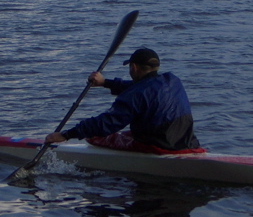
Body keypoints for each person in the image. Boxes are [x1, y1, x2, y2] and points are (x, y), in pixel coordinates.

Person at [44, 48, 201, 152]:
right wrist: (105, 83)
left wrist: (66, 135)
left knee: (97, 137)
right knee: (129, 132)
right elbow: (139, 90)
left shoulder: (137, 93)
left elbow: (106, 123)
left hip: (159, 147)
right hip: (186, 141)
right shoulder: (172, 80)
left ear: (133, 67)